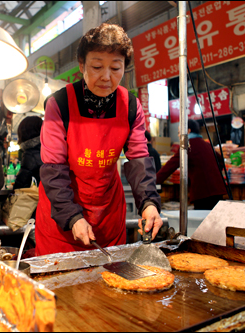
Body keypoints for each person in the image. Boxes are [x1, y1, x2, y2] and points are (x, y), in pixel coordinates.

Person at [36, 23, 162, 256]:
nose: (106, 77)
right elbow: (53, 168)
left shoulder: (131, 105)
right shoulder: (60, 104)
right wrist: (72, 216)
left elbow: (139, 158)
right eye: (96, 67)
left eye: (116, 68)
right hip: (62, 219)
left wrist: (149, 203)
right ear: (82, 65)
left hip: (108, 215)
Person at [156, 119, 227, 210]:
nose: (178, 135)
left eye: (179, 132)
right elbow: (221, 161)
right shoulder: (206, 144)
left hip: (203, 192)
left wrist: (154, 182)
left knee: (203, 221)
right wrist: (211, 173)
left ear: (188, 131)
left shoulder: (187, 146)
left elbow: (170, 166)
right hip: (217, 190)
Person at [13, 116, 43, 190]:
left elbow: (22, 182)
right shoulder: (48, 146)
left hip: (46, 196)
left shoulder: (30, 153)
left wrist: (12, 193)